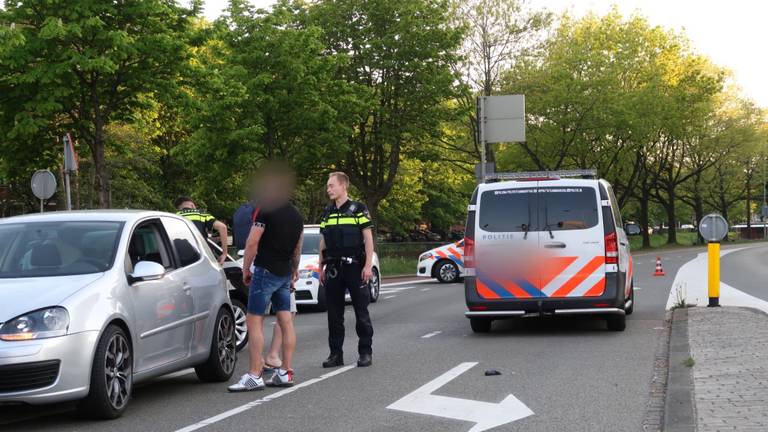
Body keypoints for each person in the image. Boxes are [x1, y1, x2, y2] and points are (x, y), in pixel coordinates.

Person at [228, 163, 303, 392]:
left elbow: (252, 242)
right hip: (284, 272)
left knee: (255, 320)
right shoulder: (296, 215)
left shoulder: (265, 209)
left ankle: (254, 375)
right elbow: (297, 248)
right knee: (286, 321)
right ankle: (285, 372)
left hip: (265, 271)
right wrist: (294, 270)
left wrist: (246, 269)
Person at [319, 172, 375, 368]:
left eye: (331, 185)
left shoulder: (358, 209)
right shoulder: (327, 211)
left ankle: (365, 352)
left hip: (354, 267)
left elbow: (368, 238)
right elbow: (323, 241)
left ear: (343, 186)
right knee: (334, 314)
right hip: (334, 267)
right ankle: (336, 354)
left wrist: (368, 265)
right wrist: (321, 266)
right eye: (328, 186)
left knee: (361, 312)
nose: (328, 189)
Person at [175, 196, 228, 265]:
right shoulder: (201, 214)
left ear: (179, 208)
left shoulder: (175, 217)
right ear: (192, 205)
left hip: (180, 260)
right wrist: (224, 253)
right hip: (202, 258)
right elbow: (223, 227)